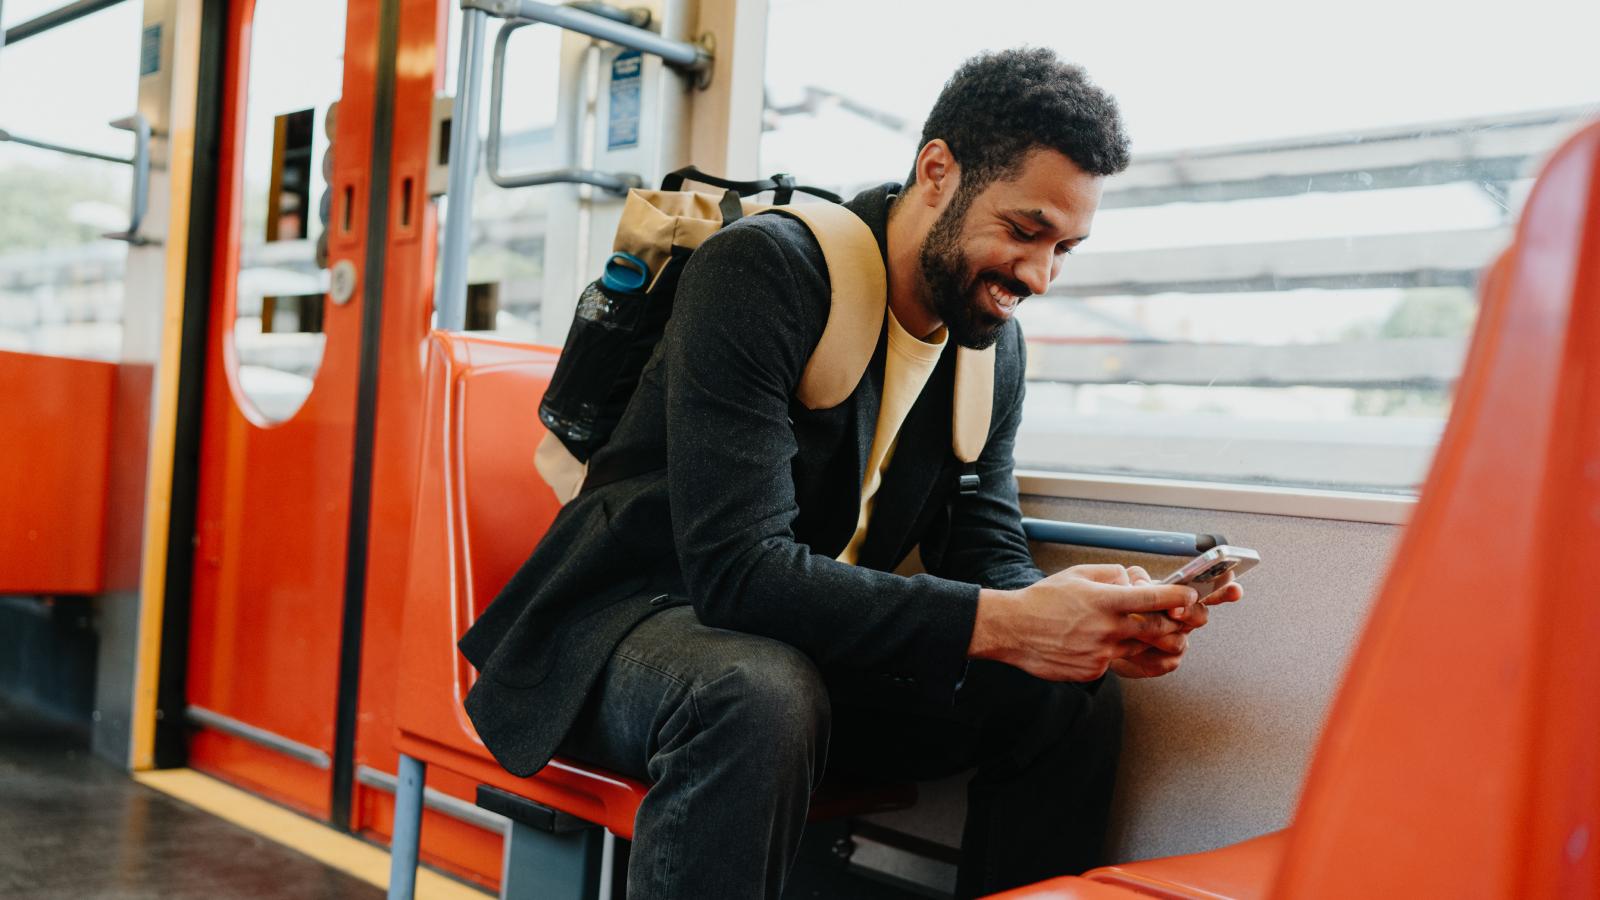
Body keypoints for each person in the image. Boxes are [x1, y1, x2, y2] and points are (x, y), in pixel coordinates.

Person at [459, 47, 1244, 899]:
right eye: (1023, 231)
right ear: (937, 170)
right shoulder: (762, 273)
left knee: (1068, 695)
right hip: (630, 628)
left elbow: (986, 550)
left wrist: (1079, 622)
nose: (1040, 275)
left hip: (790, 647)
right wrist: (1011, 624)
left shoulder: (988, 346)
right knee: (756, 694)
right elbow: (737, 575)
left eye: (1066, 248)